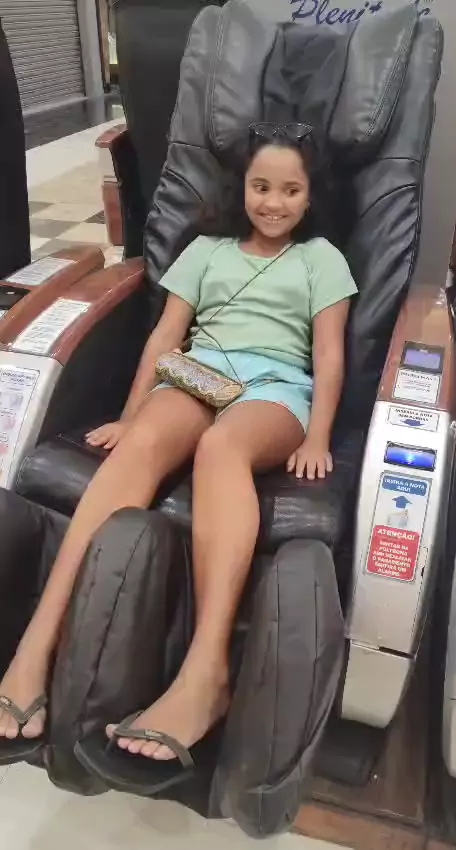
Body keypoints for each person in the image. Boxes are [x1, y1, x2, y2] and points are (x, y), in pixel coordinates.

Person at [0, 123, 357, 771]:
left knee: (222, 448)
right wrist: (132, 416)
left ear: (310, 197)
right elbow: (166, 338)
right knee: (141, 445)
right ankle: (35, 646)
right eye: (261, 186)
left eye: (290, 190)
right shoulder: (206, 251)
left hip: (274, 390)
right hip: (198, 375)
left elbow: (329, 357)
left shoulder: (322, 259)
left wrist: (318, 436)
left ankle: (206, 675)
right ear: (241, 187)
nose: (274, 202)